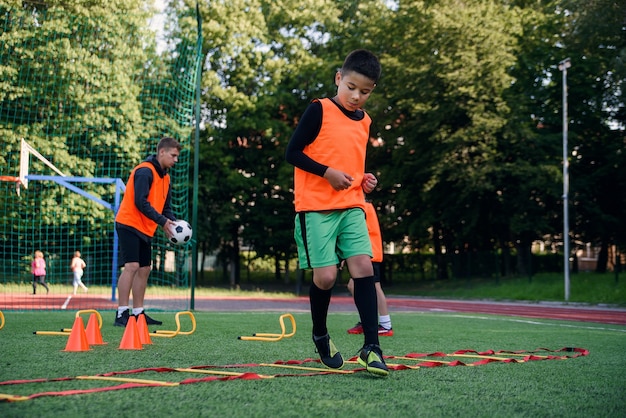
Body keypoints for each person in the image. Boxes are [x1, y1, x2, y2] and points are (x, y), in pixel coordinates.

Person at [285, 49, 388, 377]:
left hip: (353, 205)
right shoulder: (320, 109)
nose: (357, 96)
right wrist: (326, 172)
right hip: (315, 208)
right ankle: (320, 335)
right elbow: (292, 153)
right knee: (326, 277)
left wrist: (364, 179)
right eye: (352, 88)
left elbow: (351, 162)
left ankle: (372, 347)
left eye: (366, 91)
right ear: (338, 79)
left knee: (363, 267)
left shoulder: (366, 122)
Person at [113, 136, 180, 327]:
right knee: (132, 266)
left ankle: (138, 313)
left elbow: (166, 208)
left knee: (145, 269)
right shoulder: (144, 171)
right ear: (162, 152)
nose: (175, 160)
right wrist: (162, 221)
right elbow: (140, 202)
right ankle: (121, 313)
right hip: (129, 223)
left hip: (145, 228)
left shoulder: (166, 178)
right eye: (173, 156)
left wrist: (173, 225)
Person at [346, 201, 393, 336]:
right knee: (353, 285)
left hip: (368, 253)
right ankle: (367, 320)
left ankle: (385, 324)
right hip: (366, 252)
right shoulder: (362, 206)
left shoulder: (361, 206)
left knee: (374, 287)